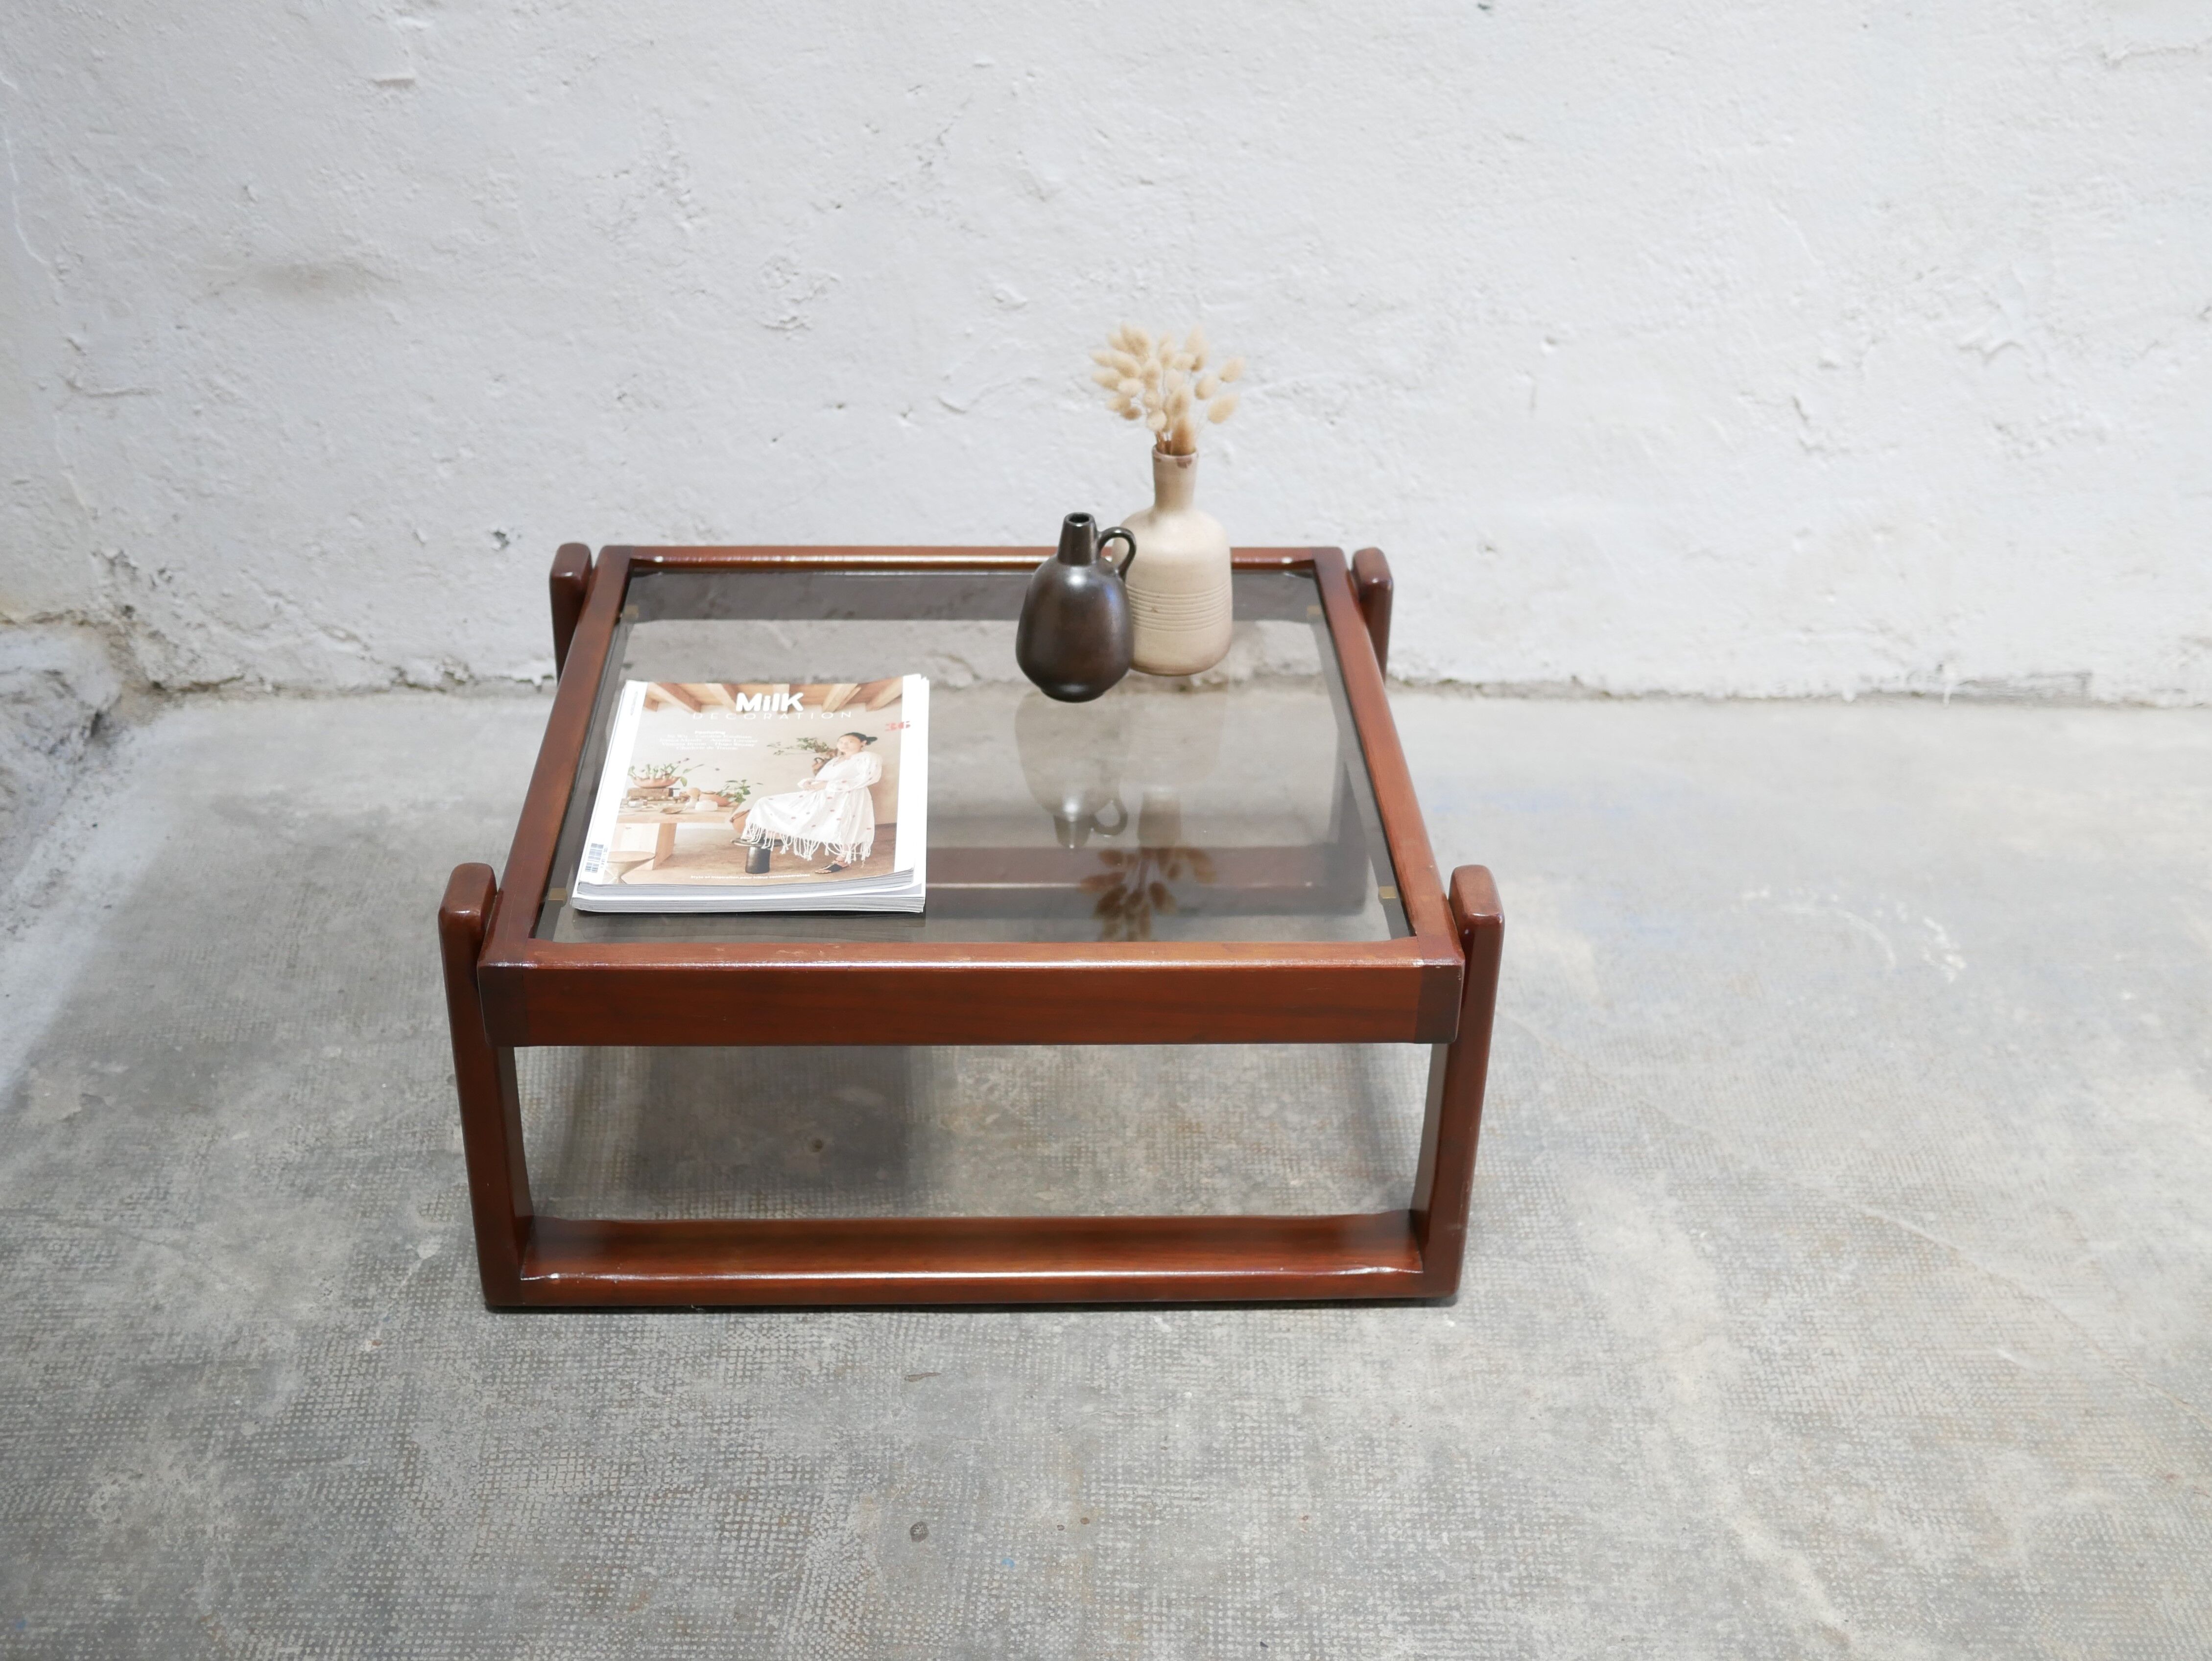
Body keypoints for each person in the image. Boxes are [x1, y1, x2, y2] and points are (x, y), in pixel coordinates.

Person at [733, 732, 882, 873]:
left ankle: (842, 859)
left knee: (847, 825)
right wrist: (810, 784)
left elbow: (867, 778)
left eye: (850, 742)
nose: (845, 745)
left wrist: (827, 786)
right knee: (766, 802)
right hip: (826, 795)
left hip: (849, 796)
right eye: (841, 742)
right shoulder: (836, 760)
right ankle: (775, 832)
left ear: (863, 743)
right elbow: (822, 779)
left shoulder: (868, 757)